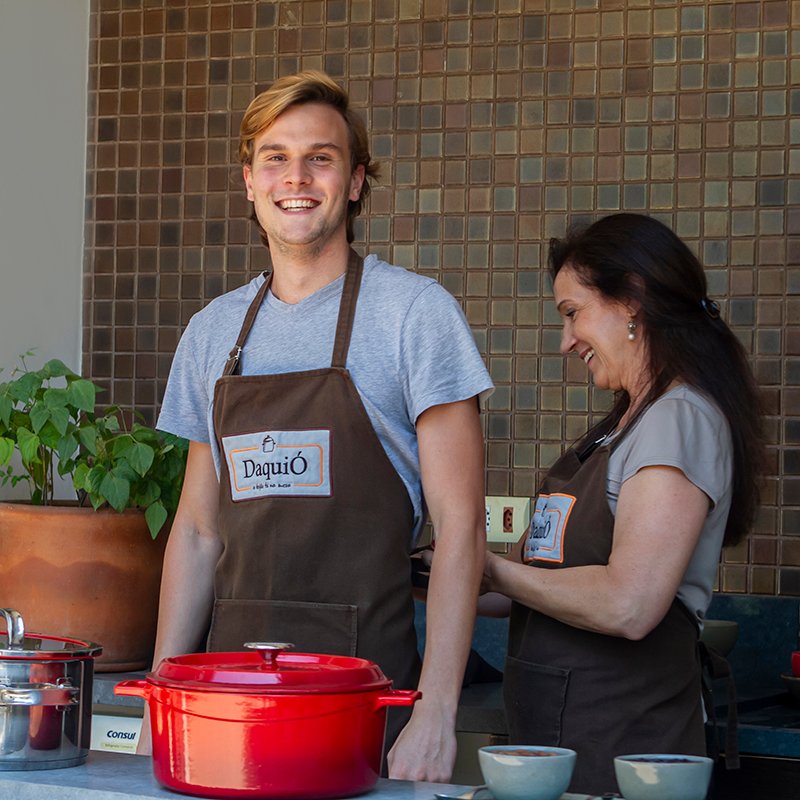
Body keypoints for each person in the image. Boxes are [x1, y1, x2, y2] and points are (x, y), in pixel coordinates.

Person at [143, 70, 493, 782]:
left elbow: (462, 527)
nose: (295, 177)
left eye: (321, 157)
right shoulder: (212, 333)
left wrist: (434, 712)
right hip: (229, 707)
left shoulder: (414, 316)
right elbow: (198, 531)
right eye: (275, 156)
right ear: (248, 181)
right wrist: (161, 688)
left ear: (357, 180)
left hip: (367, 708)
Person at [479, 213, 765, 794]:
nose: (566, 341)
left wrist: (493, 570)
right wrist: (438, 572)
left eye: (572, 313)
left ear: (631, 298)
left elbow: (628, 604)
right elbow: (550, 583)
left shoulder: (677, 419)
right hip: (557, 740)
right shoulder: (620, 426)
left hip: (627, 749)